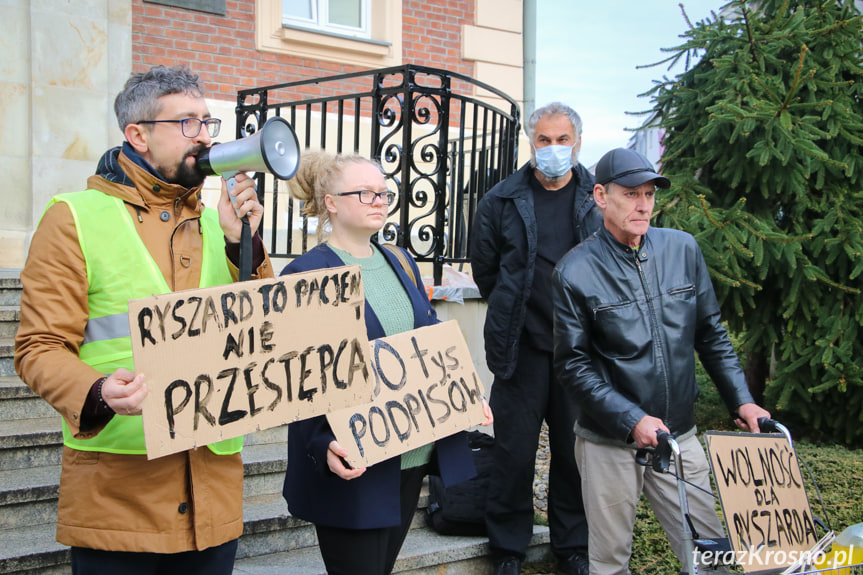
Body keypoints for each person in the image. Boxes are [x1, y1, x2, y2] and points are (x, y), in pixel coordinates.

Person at [14, 65, 272, 574]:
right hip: (119, 497)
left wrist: (245, 245)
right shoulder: (74, 216)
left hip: (213, 493)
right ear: (138, 135)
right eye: (186, 123)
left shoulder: (222, 222)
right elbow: (38, 346)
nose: (202, 135)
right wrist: (97, 391)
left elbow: (264, 328)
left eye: (206, 122)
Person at [552, 147, 772, 575]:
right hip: (608, 444)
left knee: (709, 555)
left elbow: (711, 334)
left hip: (681, 436)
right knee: (610, 562)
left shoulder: (682, 249)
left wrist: (741, 400)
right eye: (632, 193)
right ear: (600, 195)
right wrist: (631, 418)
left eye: (650, 194)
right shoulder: (573, 271)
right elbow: (572, 366)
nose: (643, 205)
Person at [280, 151, 493, 575]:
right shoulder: (305, 274)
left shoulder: (400, 260)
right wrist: (322, 444)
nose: (379, 200)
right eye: (365, 193)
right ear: (331, 202)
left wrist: (465, 396)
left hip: (410, 453)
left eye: (384, 192)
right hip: (354, 458)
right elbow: (297, 380)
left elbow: (427, 344)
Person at [470, 102, 599, 575]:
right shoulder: (501, 199)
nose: (553, 149)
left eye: (562, 140)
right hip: (519, 350)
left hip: (580, 354)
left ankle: (574, 549)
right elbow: (486, 271)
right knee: (513, 453)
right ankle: (507, 550)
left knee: (574, 454)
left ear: (577, 143)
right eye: (543, 140)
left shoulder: (597, 198)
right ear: (531, 143)